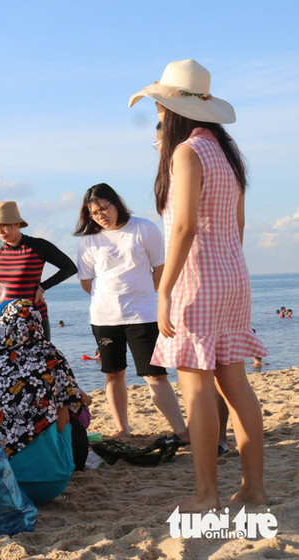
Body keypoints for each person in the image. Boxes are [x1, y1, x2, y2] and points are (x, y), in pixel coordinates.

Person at [130, 59, 268, 512]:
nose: (159, 119)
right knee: (236, 386)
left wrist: (165, 290)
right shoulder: (227, 153)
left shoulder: (186, 152)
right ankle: (253, 489)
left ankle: (207, 494)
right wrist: (225, 265)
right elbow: (239, 223)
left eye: (160, 111)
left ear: (173, 110)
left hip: (197, 278)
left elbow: (184, 227)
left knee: (196, 391)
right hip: (233, 276)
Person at [74, 182, 188, 441]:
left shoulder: (143, 229)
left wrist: (144, 293)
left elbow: (160, 268)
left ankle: (181, 431)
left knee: (155, 375)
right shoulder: (89, 241)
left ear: (116, 204)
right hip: (104, 318)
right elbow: (86, 282)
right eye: (94, 212)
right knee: (113, 374)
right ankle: (123, 429)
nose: (101, 215)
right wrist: (109, 297)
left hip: (143, 316)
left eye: (105, 207)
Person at [0, 300, 83, 504]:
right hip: (54, 482)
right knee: (63, 417)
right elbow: (65, 418)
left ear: (3, 327)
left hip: (5, 482)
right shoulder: (53, 357)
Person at [0, 201, 77, 340]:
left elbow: (69, 267)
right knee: (3, 361)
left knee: (40, 360)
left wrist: (43, 287)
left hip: (34, 316)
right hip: (1, 318)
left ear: (17, 224)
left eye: (4, 225)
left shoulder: (38, 246)